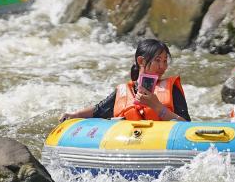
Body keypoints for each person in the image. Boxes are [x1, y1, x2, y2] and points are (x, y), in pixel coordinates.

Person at [59, 39, 190, 122]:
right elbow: (98, 110)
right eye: (157, 60)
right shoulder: (123, 91)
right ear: (141, 61)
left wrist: (157, 107)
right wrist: (73, 115)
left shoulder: (172, 89)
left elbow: (185, 125)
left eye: (165, 61)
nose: (163, 66)